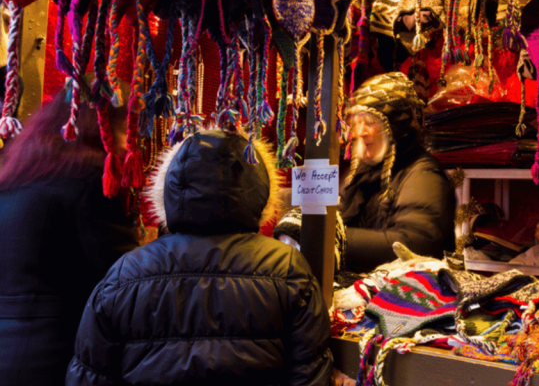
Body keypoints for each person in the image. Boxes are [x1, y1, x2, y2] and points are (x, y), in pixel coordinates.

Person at [66, 129, 334, 385]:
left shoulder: (127, 273)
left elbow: (90, 375)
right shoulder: (287, 268)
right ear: (258, 188)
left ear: (170, 188)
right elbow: (309, 373)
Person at [0, 84, 139, 386]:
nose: (128, 143)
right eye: (124, 130)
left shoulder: (12, 181)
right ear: (101, 127)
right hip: (57, 357)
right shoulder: (88, 182)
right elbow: (120, 283)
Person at [275, 72, 456, 276]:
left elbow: (413, 243)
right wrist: (308, 223)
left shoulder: (423, 175)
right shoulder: (362, 172)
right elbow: (338, 215)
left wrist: (329, 236)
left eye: (370, 122)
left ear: (394, 127)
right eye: (357, 121)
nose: (360, 132)